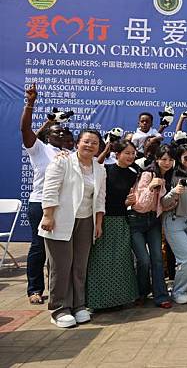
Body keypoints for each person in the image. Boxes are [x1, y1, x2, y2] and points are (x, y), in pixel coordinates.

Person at [39, 129, 106, 328]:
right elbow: (50, 188)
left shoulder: (99, 168)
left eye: (94, 143)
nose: (90, 146)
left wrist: (98, 222)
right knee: (61, 266)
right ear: (77, 143)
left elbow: (100, 198)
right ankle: (59, 309)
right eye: (86, 141)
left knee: (79, 266)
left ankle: (78, 305)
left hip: (86, 221)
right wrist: (48, 215)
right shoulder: (63, 161)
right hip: (61, 220)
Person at [20, 84, 66, 305]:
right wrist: (30, 103)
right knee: (39, 246)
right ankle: (35, 289)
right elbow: (25, 129)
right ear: (48, 135)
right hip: (40, 204)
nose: (60, 133)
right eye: (55, 131)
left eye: (62, 131)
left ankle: (58, 288)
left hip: (62, 205)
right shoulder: (39, 149)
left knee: (59, 249)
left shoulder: (68, 153)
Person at [85, 140, 138, 311]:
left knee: (121, 261)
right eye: (127, 153)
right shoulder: (105, 171)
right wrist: (99, 221)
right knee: (100, 262)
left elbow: (130, 199)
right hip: (104, 221)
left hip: (122, 221)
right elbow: (99, 197)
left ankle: (120, 299)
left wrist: (129, 202)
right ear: (117, 154)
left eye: (133, 153)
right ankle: (97, 302)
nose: (130, 156)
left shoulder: (133, 173)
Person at [129, 145, 174, 309]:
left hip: (153, 221)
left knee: (157, 259)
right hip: (136, 220)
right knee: (143, 260)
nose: (167, 163)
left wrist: (172, 200)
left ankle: (161, 296)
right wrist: (150, 187)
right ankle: (141, 293)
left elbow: (160, 205)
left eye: (170, 159)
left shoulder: (167, 175)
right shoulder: (148, 174)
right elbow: (140, 205)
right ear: (157, 159)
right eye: (163, 159)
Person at [161, 144, 187, 304]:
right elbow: (163, 204)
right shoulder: (171, 176)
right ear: (179, 159)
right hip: (173, 221)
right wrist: (174, 192)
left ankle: (184, 286)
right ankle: (178, 291)